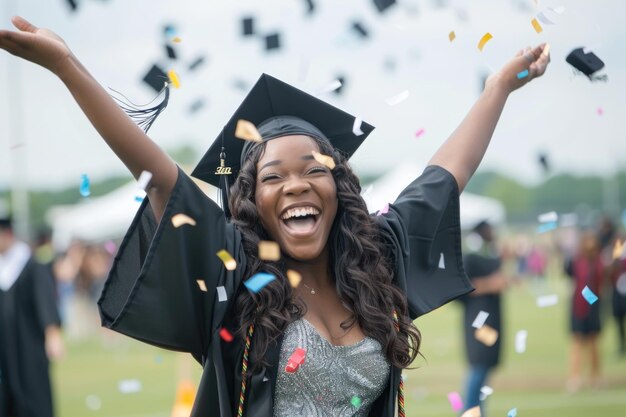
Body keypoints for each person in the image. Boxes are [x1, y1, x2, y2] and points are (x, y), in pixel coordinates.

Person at [0, 16, 550, 416]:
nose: (294, 186)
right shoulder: (237, 273)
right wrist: (66, 65)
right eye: (272, 177)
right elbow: (160, 175)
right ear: (250, 200)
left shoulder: (376, 260)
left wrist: (497, 89)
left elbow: (445, 176)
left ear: (337, 183)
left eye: (313, 169)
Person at [0, 216, 64, 417]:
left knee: (34, 393)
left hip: (30, 343)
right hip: (3, 347)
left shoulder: (31, 264)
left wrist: (52, 334)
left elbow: (45, 300)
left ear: (7, 234)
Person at [460, 220, 508, 416]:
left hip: (490, 320)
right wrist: (491, 284)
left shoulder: (489, 253)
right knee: (479, 365)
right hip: (478, 322)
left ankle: (477, 411)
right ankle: (470, 412)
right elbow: (463, 288)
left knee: (485, 365)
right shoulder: (471, 256)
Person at [564, 231, 604, 392]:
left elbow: (601, 282)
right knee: (577, 342)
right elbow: (568, 273)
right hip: (578, 305)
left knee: (593, 342)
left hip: (592, 304)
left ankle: (595, 376)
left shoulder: (598, 261)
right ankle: (575, 377)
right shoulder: (576, 260)